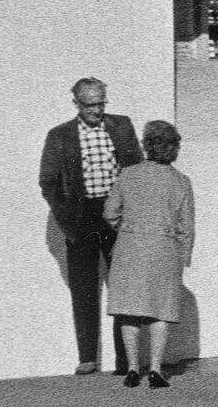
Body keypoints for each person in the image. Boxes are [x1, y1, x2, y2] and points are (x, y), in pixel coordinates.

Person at [38, 78, 143, 374]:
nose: (97, 110)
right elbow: (48, 182)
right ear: (77, 104)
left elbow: (135, 168)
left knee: (124, 287)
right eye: (90, 105)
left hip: (117, 217)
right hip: (82, 218)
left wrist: (128, 210)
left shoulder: (121, 126)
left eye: (101, 103)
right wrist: (67, 218)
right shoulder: (59, 136)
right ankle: (87, 358)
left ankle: (126, 361)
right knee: (83, 289)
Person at [103, 120, 194, 388]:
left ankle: (132, 369)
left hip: (129, 247)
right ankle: (155, 370)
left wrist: (129, 229)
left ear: (146, 145)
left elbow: (109, 213)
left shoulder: (127, 175)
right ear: (174, 148)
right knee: (160, 311)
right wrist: (183, 258)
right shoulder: (181, 182)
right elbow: (186, 227)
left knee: (129, 311)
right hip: (164, 249)